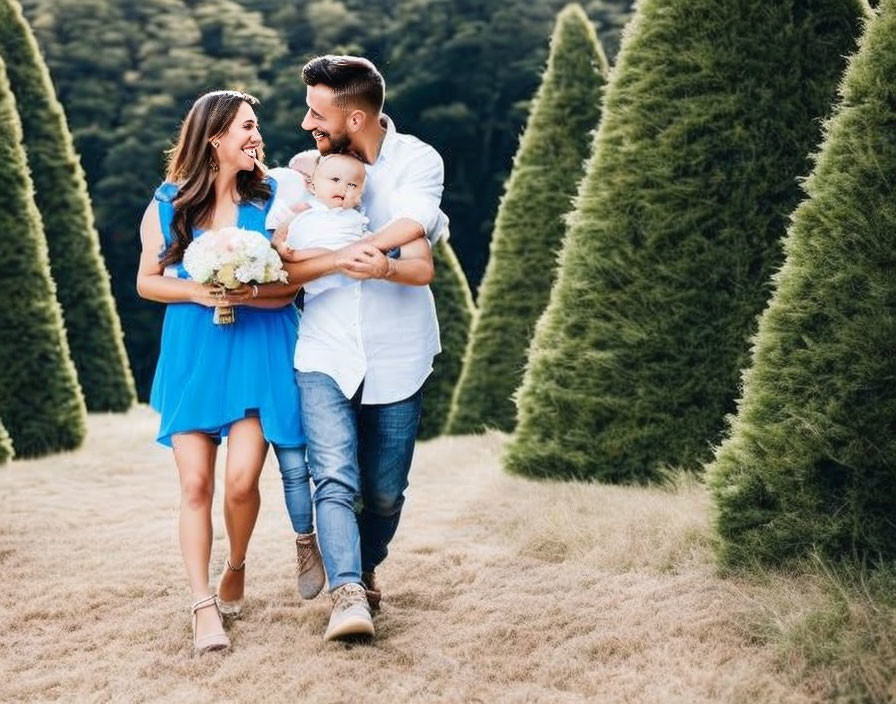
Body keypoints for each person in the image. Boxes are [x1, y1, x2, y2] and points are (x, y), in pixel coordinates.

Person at [136, 90, 313, 654]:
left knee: (240, 483)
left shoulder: (276, 199)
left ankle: (235, 564)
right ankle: (202, 606)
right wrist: (200, 288)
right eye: (247, 126)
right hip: (194, 354)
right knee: (195, 484)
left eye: (256, 126)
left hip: (260, 351)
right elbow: (147, 280)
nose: (256, 135)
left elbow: (293, 284)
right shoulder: (169, 202)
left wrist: (249, 288)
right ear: (215, 137)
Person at [279, 55, 447, 641]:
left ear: (353, 117)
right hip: (323, 350)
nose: (306, 124)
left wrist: (372, 260)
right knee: (334, 478)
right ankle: (347, 592)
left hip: (399, 350)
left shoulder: (418, 161)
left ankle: (366, 563)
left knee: (383, 490)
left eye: (315, 112)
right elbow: (283, 257)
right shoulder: (309, 173)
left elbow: (420, 244)